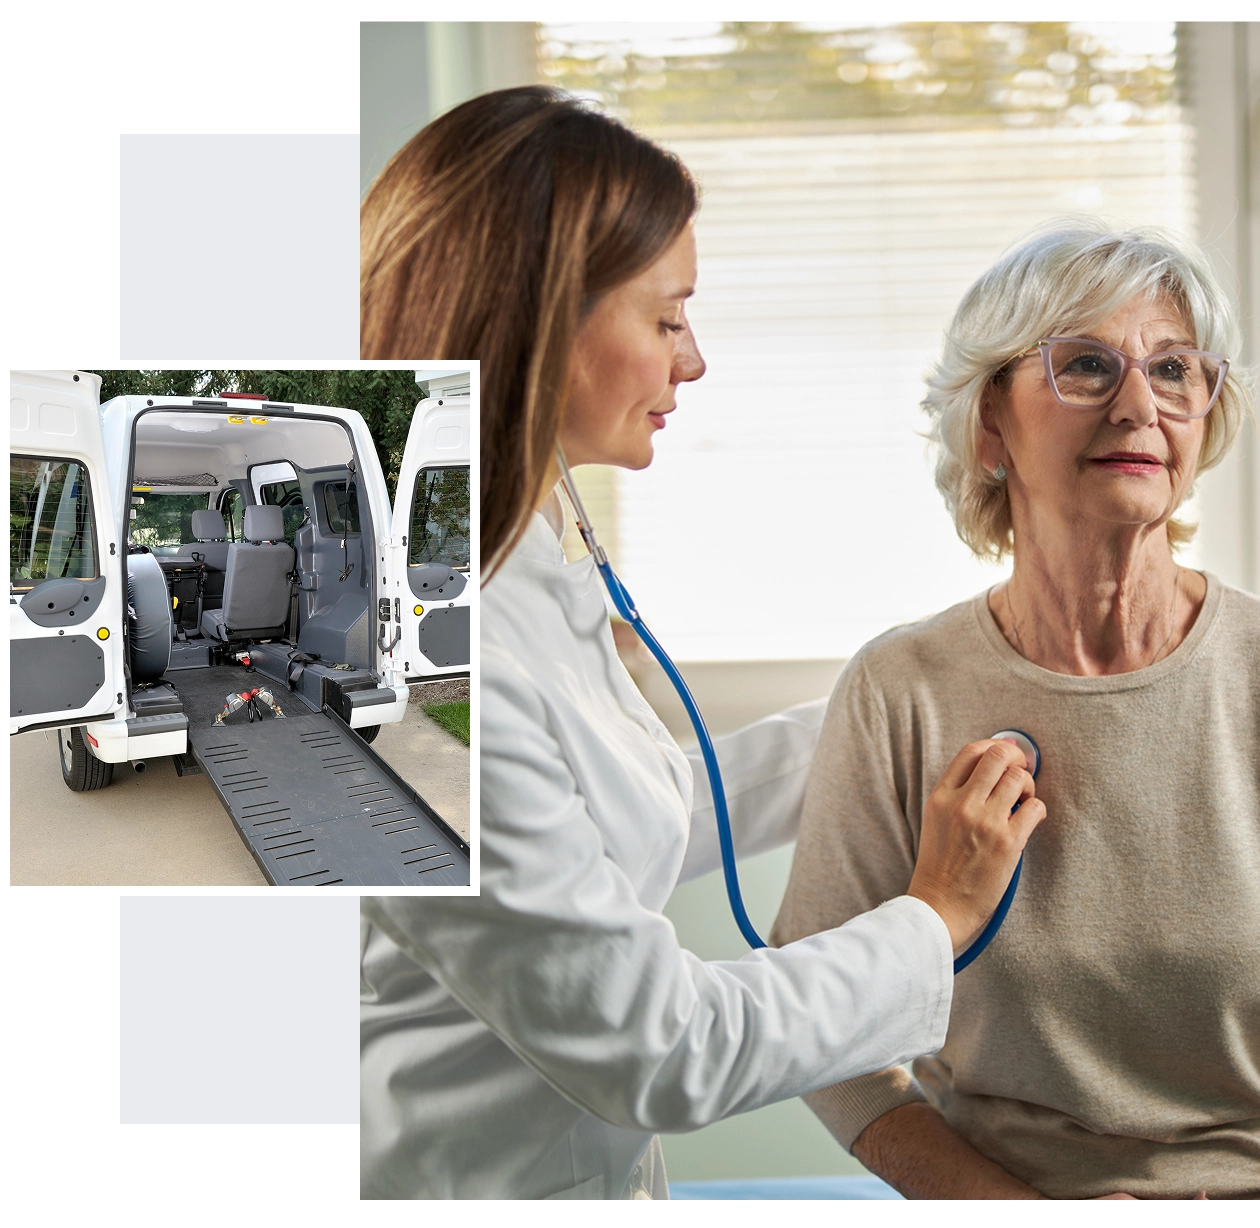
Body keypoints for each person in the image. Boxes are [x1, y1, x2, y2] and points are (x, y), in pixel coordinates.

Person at [358, 85, 1043, 1200]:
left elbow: (626, 812)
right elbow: (661, 1044)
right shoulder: (423, 674)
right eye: (669, 317)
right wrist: (937, 913)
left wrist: (895, 713)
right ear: (540, 319)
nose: (696, 360)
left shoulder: (525, 558)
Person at [772, 223, 1260, 1200]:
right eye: (1086, 365)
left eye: (1174, 370)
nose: (1138, 404)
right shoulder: (900, 688)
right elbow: (821, 1036)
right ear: (988, 422)